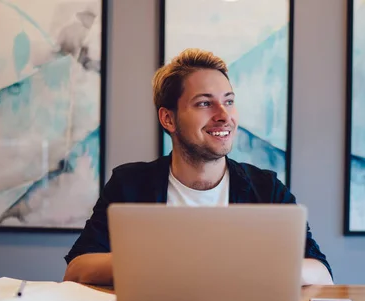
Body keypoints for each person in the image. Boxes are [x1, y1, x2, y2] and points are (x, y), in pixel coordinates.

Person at [63, 48, 334, 286]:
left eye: (228, 101)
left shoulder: (266, 188)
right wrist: (161, 265)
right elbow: (77, 270)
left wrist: (240, 269)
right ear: (168, 119)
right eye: (205, 103)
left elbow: (321, 273)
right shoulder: (130, 184)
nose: (224, 116)